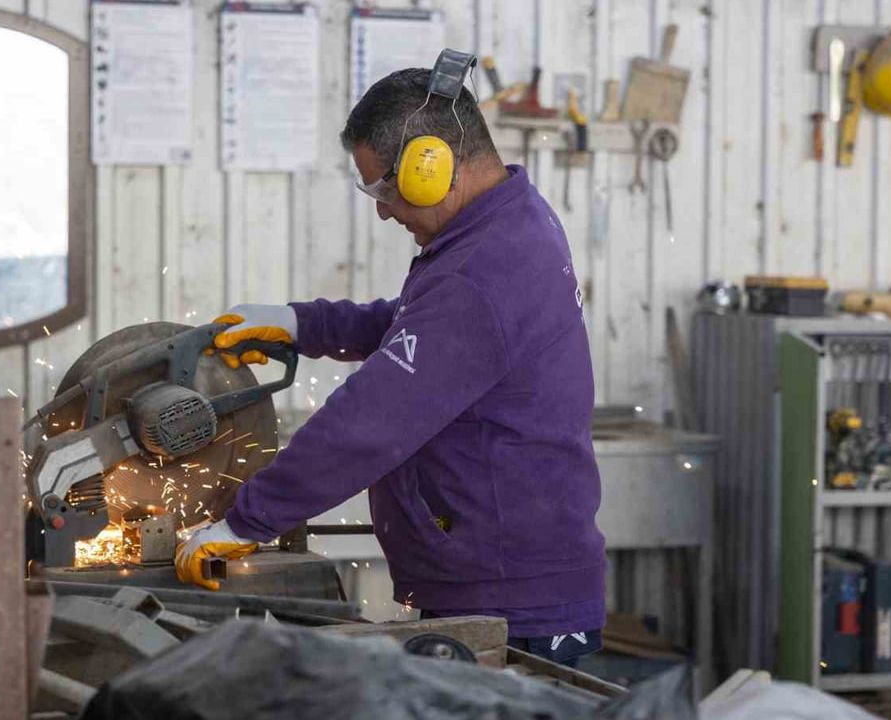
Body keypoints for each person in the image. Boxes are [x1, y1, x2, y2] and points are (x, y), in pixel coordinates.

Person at [175, 54, 607, 667]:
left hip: (512, 609)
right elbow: (422, 326)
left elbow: (370, 423)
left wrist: (245, 524)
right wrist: (304, 324)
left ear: (430, 168)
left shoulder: (483, 271)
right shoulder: (511, 221)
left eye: (384, 187)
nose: (382, 209)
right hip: (503, 584)